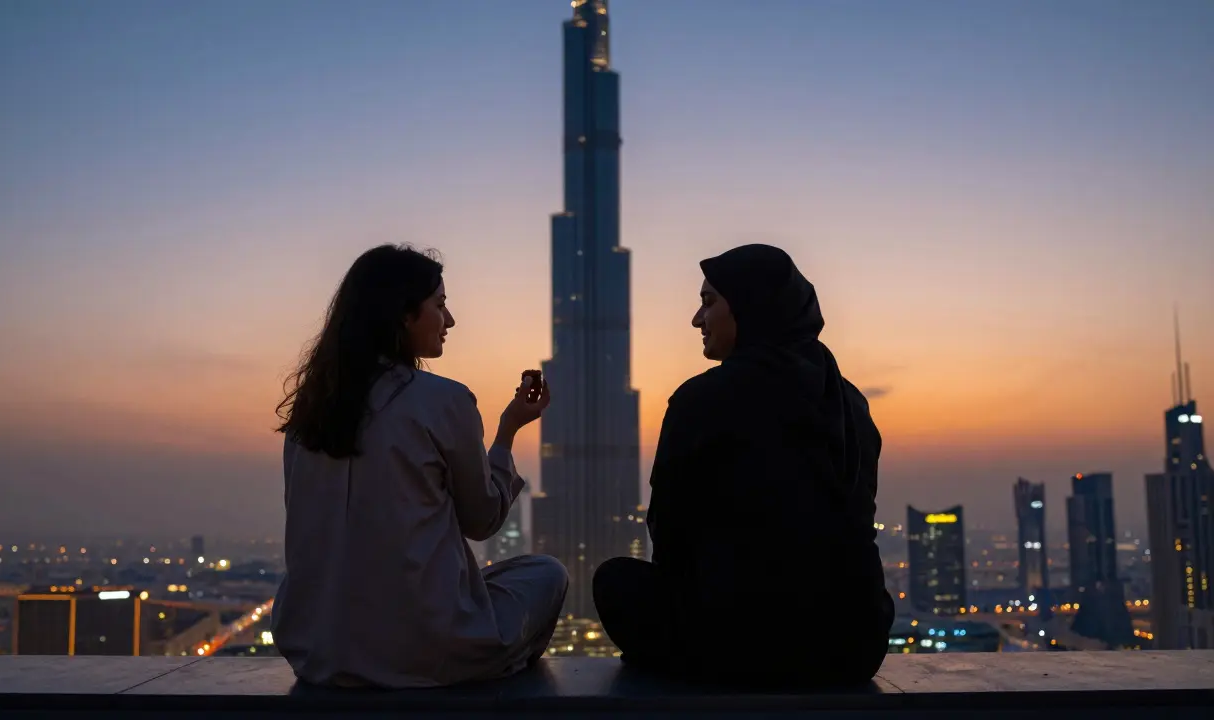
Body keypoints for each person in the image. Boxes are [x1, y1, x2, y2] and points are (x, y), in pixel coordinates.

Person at [593, 243, 894, 687]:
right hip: (853, 645)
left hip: (742, 647)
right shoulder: (850, 403)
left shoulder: (702, 400)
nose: (697, 320)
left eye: (708, 302)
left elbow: (670, 536)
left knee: (614, 581)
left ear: (749, 307)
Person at [270, 244, 567, 689]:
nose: (449, 321)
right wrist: (506, 435)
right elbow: (483, 520)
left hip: (316, 648)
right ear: (404, 315)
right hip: (423, 651)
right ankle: (489, 669)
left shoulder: (308, 417)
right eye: (441, 306)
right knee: (547, 574)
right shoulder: (443, 400)